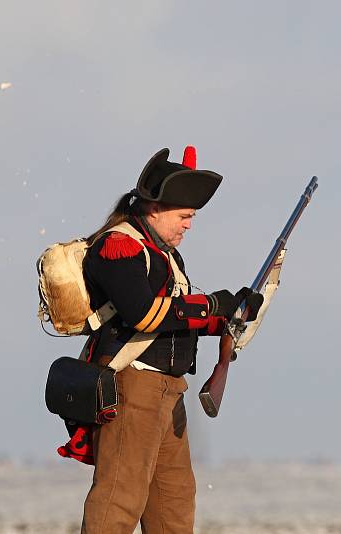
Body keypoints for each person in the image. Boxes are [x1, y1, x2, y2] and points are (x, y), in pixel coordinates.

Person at [76, 147, 260, 534]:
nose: (189, 225)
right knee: (118, 501)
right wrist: (211, 305)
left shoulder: (164, 255)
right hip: (132, 387)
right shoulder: (119, 246)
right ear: (154, 209)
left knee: (173, 507)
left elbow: (175, 320)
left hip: (169, 392)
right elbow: (143, 314)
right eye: (185, 216)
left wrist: (230, 314)